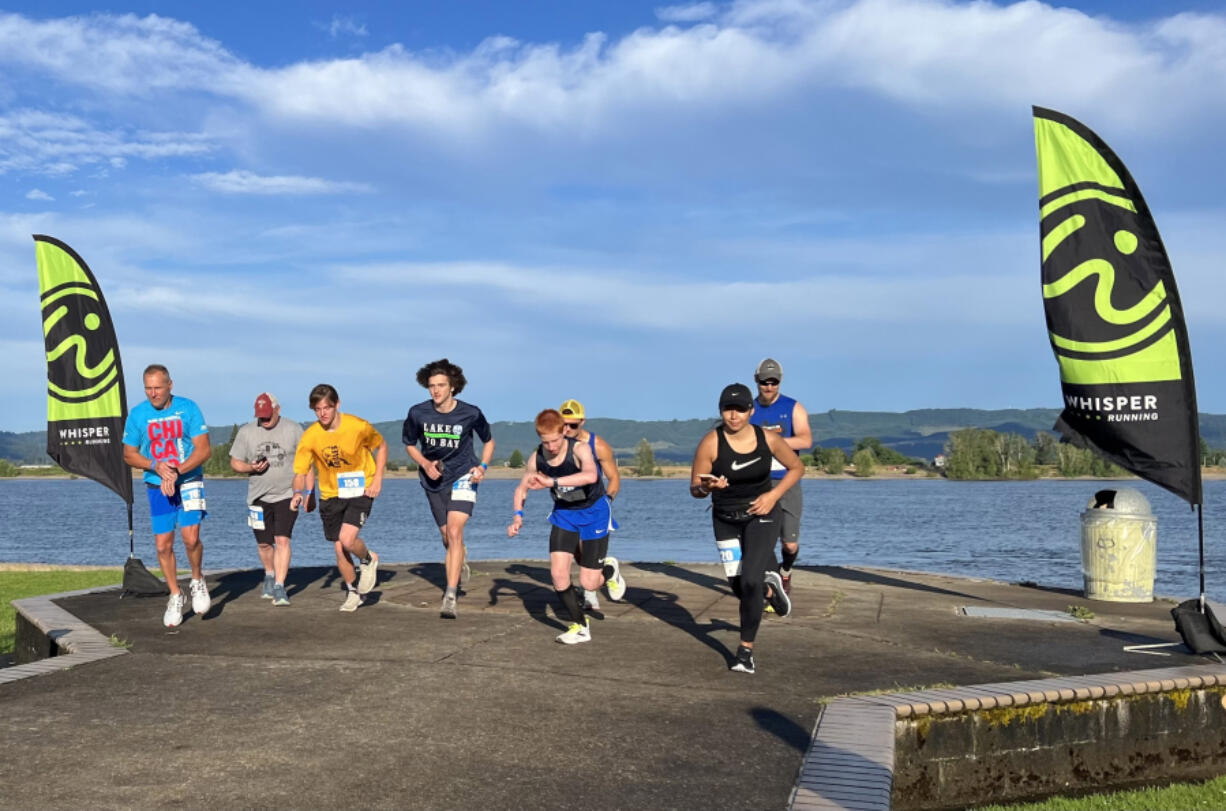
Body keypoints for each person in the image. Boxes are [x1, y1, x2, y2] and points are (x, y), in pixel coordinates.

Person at [690, 383, 802, 674]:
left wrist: (773, 496)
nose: (734, 415)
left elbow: (797, 468)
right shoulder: (711, 443)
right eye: (728, 409)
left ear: (751, 411)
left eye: (740, 409)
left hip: (761, 514)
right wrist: (707, 485)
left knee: (750, 577)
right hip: (725, 517)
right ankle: (768, 590)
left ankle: (745, 652)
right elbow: (695, 489)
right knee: (741, 587)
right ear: (721, 410)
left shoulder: (768, 439)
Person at [507, 409, 624, 645]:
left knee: (589, 583)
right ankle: (580, 626)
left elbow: (591, 476)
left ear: (564, 432)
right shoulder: (537, 458)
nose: (551, 446)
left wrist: (552, 482)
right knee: (558, 575)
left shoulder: (579, 449)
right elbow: (522, 488)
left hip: (594, 514)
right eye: (545, 441)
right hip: (564, 515)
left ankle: (609, 571)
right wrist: (518, 516)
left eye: (555, 440)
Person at [402, 358, 495, 619]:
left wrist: (483, 467)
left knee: (455, 532)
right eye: (432, 386)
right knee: (447, 537)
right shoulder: (418, 413)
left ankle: (450, 595)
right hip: (433, 479)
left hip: (464, 475)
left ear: (452, 386)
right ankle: (459, 558)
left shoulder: (470, 413)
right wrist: (424, 463)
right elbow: (409, 444)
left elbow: (489, 441)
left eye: (441, 385)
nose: (436, 391)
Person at [121, 364, 213, 628]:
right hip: (156, 485)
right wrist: (155, 466)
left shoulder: (188, 408)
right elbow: (129, 454)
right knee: (163, 545)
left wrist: (176, 470)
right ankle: (175, 594)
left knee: (191, 537)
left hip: (189, 480)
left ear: (170, 385)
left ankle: (196, 579)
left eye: (158, 388)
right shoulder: (138, 415)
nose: (153, 393)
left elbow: (204, 449)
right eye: (148, 388)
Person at [291, 384, 386, 612]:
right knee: (339, 548)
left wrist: (378, 480)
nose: (323, 413)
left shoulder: (357, 426)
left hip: (361, 488)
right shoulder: (311, 436)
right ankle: (353, 592)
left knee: (347, 538)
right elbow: (300, 471)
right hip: (331, 494)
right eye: (317, 409)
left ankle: (368, 560)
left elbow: (381, 446)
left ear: (337, 405)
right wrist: (298, 493)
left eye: (327, 408)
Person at [230, 392, 311, 606]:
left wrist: (305, 493)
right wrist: (250, 467)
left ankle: (279, 586)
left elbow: (306, 463)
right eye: (261, 417)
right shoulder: (247, 432)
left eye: (268, 416)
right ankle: (269, 574)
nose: (264, 421)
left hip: (287, 493)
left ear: (278, 409)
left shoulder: (294, 429)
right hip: (258, 496)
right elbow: (235, 462)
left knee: (282, 539)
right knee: (264, 543)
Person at [748, 358, 812, 597]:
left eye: (774, 382)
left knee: (789, 544)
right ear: (757, 381)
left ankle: (785, 571)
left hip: (787, 480)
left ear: (780, 382)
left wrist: (773, 443)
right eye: (765, 382)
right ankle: (770, 584)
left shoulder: (793, 407)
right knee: (761, 540)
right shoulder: (750, 410)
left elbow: (805, 440)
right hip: (759, 481)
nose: (769, 387)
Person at [558, 398, 625, 610]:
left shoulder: (598, 446)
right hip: (569, 508)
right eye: (563, 425)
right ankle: (592, 585)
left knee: (587, 554)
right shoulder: (556, 444)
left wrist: (608, 499)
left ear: (582, 422)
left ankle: (603, 577)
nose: (567, 429)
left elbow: (614, 478)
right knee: (575, 552)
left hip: (595, 508)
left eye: (573, 425)